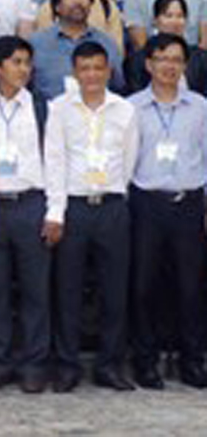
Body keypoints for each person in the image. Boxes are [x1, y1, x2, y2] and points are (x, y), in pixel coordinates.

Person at [44, 41, 138, 393]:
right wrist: (56, 212)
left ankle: (110, 365)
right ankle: (67, 366)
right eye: (85, 69)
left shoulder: (124, 111)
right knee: (67, 289)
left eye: (99, 68)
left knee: (115, 290)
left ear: (109, 71)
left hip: (112, 206)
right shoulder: (59, 109)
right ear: (74, 72)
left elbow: (129, 160)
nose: (92, 75)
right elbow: (54, 160)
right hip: (74, 207)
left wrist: (115, 192)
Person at [0, 35, 52, 393]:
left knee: (36, 290)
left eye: (27, 63)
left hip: (32, 202)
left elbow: (55, 159)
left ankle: (34, 363)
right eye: (16, 62)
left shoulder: (43, 107)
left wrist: (54, 209)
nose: (24, 69)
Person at [126, 33, 207, 390]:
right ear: (148, 64)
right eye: (162, 58)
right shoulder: (131, 108)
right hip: (147, 203)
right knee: (144, 285)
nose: (169, 66)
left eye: (177, 59)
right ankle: (146, 361)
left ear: (184, 66)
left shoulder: (201, 108)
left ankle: (192, 360)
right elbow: (126, 158)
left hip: (189, 202)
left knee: (192, 287)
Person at [28, 0, 123, 99]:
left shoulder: (106, 43)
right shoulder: (36, 44)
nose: (77, 1)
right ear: (56, 6)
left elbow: (118, 87)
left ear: (91, 3)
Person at [123, 0, 207, 94]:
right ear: (155, 20)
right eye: (168, 16)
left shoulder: (201, 58)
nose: (174, 21)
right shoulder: (137, 61)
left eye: (180, 16)